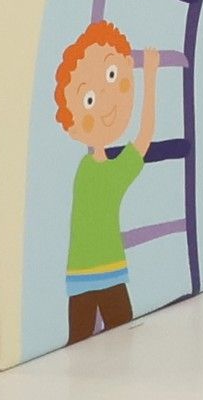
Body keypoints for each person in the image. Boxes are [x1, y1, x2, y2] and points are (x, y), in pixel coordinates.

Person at [52, 22, 159, 343]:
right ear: (72, 124)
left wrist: (147, 77)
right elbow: (144, 136)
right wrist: (150, 77)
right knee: (115, 335)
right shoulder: (99, 172)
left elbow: (143, 138)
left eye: (113, 76)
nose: (106, 103)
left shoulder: (92, 169)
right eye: (88, 99)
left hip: (84, 274)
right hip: (104, 272)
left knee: (88, 338)